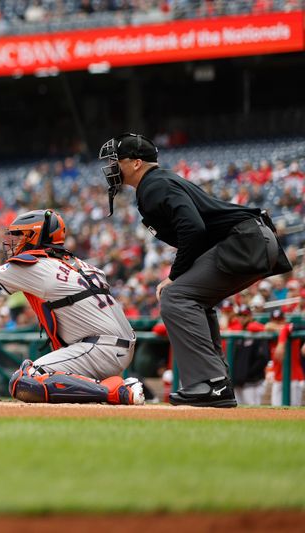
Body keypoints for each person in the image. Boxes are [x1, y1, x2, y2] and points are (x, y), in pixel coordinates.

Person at [98, 133, 292, 407]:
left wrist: (174, 276)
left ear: (137, 163)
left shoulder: (154, 184)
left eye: (118, 160)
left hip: (245, 241)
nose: (113, 166)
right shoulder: (157, 182)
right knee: (194, 299)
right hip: (251, 239)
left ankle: (211, 384)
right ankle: (217, 382)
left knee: (175, 297)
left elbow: (193, 228)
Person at [0, 209, 144, 405]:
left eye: (19, 235)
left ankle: (116, 391)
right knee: (34, 374)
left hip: (100, 348)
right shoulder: (82, 265)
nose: (12, 241)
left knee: (25, 378)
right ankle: (117, 386)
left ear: (34, 237)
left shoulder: (36, 265)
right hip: (115, 346)